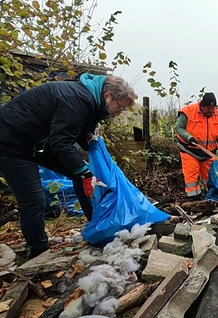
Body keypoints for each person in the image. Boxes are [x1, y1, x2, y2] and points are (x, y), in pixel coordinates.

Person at [0, 74, 136, 257]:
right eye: (119, 107)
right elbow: (61, 142)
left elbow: (74, 131)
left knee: (80, 175)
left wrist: (89, 140)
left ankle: (96, 226)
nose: (118, 112)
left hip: (36, 142)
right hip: (11, 142)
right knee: (34, 200)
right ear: (107, 96)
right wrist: (83, 171)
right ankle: (38, 252)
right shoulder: (77, 99)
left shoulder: (90, 101)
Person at [174, 92, 218, 201]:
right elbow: (178, 128)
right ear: (202, 106)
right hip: (189, 150)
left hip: (208, 153)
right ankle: (194, 201)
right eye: (208, 108)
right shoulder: (189, 112)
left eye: (213, 107)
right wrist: (188, 137)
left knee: (209, 179)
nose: (211, 110)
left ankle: (211, 199)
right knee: (191, 179)